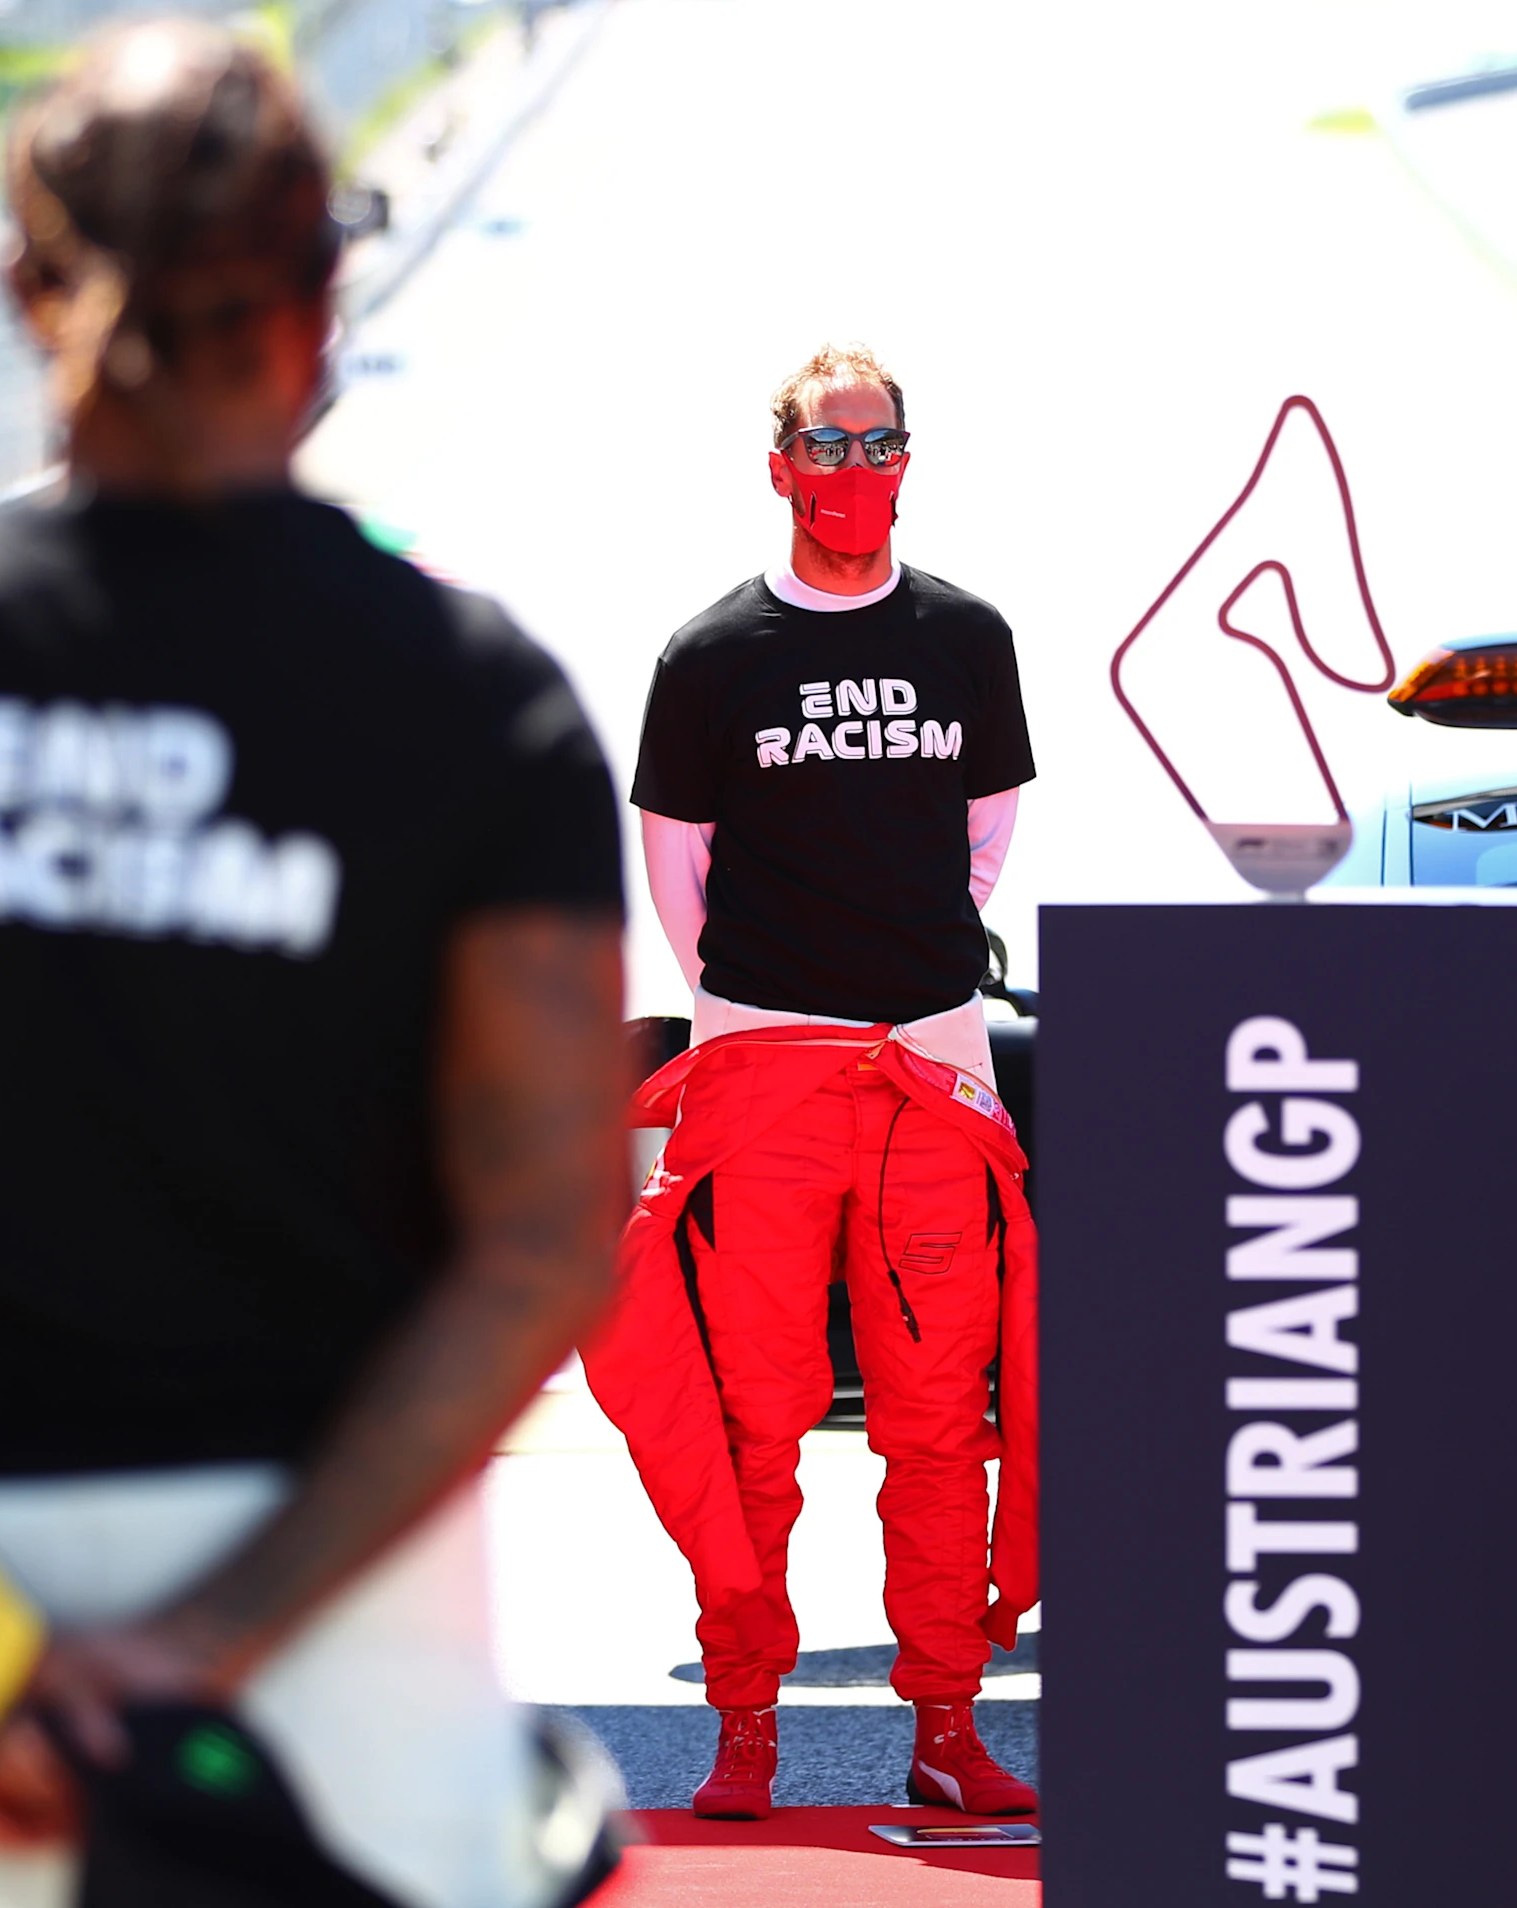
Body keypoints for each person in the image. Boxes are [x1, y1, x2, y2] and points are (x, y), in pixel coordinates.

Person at [0, 24, 629, 1906]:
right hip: (352, 1641)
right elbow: (549, 1234)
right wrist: (208, 1644)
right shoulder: (470, 703)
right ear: (325, 289)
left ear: (22, 289)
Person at [584, 343, 1041, 1822]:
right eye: (827, 449)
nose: (855, 474)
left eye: (879, 445)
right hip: (765, 1075)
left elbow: (985, 833)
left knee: (935, 1419)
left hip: (929, 1068)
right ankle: (744, 1721)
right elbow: (678, 870)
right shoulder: (709, 657)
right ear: (778, 462)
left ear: (909, 461)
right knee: (753, 1419)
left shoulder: (969, 636)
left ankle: (948, 1723)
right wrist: (758, 1010)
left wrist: (906, 987)